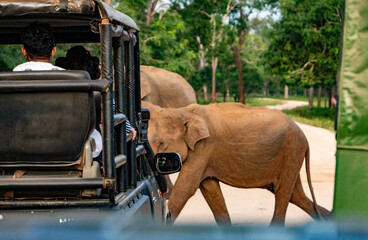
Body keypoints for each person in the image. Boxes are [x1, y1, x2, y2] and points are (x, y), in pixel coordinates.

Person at [13, 23, 103, 158]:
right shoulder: (74, 80)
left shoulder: (9, 79)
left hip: (17, 148)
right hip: (68, 149)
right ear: (53, 51)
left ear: (24, 51)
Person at [57, 45, 137, 140]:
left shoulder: (57, 87)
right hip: (88, 139)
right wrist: (129, 128)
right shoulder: (98, 90)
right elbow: (113, 110)